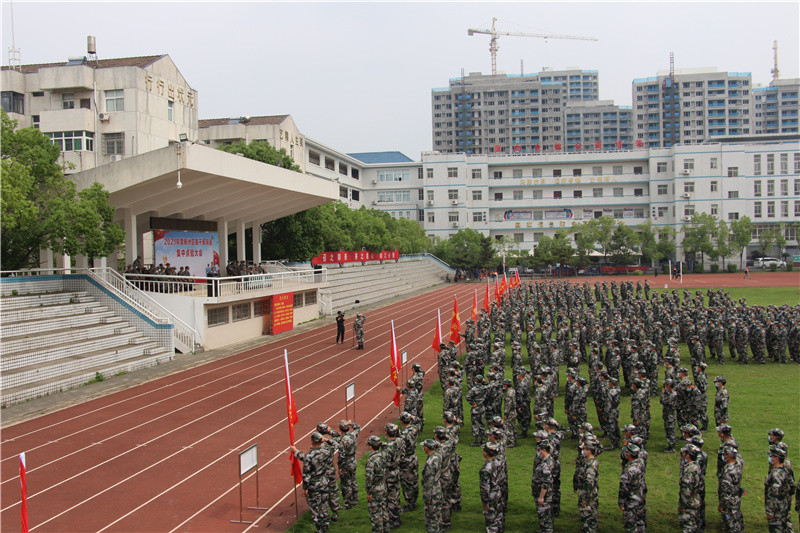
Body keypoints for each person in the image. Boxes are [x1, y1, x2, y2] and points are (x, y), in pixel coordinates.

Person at [290, 432, 331, 532]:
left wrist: (305, 487)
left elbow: (307, 473)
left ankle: (320, 529)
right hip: (325, 482)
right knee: (324, 505)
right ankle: (326, 524)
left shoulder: (310, 456)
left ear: (312, 442)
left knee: (315, 508)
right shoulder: (326, 452)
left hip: (314, 485)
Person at [364, 435, 388, 533]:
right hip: (383, 486)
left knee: (375, 514)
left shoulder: (371, 460)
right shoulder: (383, 455)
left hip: (375, 489)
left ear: (370, 446)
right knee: (383, 510)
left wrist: (369, 492)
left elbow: (369, 478)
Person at [337, 419, 361, 509]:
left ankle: (348, 503)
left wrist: (340, 468)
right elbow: (358, 428)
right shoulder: (353, 434)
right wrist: (352, 424)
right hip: (353, 460)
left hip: (346, 463)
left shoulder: (343, 440)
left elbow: (341, 456)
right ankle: (355, 499)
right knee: (353, 480)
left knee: (346, 483)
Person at [421, 438, 443, 533]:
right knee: (437, 512)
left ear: (427, 448)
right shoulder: (438, 456)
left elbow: (429, 481)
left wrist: (427, 497)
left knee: (432, 514)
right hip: (437, 488)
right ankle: (439, 528)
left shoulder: (430, 462)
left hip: (432, 492)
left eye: (424, 446)